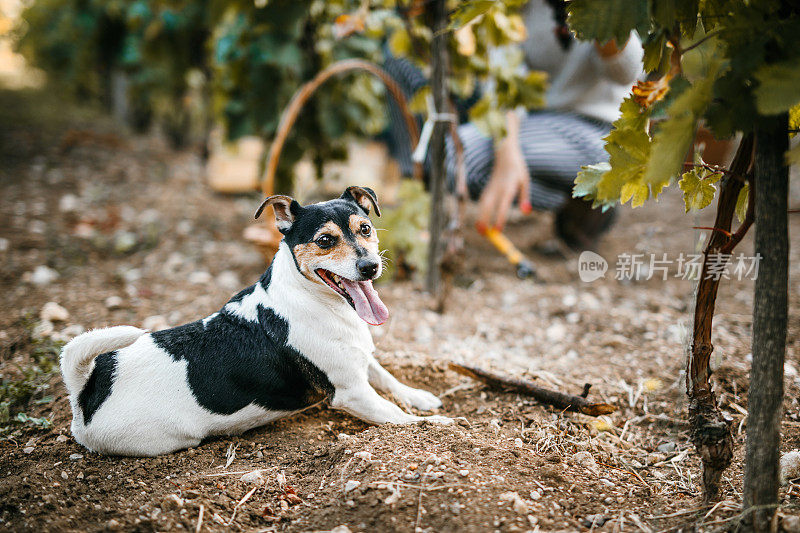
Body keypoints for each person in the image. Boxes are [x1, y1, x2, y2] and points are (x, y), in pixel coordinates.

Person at [383, 0, 643, 251]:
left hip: (600, 132)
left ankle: (586, 196)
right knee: (450, 156)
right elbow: (504, 77)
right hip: (535, 125)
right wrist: (507, 151)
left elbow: (625, 72)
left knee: (453, 158)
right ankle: (572, 195)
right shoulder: (519, 6)